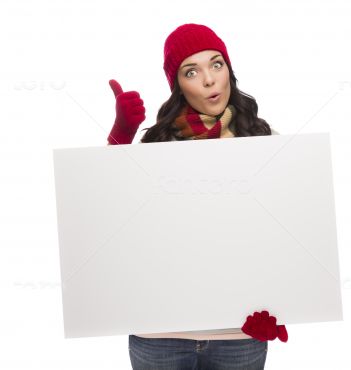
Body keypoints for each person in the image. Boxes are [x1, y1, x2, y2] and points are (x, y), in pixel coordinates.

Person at [107, 23, 288, 370]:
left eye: (216, 64)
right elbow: (113, 216)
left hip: (239, 334)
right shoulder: (157, 145)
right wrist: (121, 137)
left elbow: (286, 233)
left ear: (229, 70)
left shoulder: (265, 142)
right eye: (192, 71)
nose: (209, 80)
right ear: (178, 84)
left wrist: (281, 302)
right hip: (160, 332)